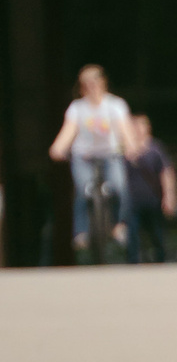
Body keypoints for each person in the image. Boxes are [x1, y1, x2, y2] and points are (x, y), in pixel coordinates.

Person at [48, 64, 131, 259]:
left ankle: (119, 225)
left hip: (110, 154)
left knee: (119, 186)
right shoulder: (77, 108)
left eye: (94, 82)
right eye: (86, 84)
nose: (91, 87)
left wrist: (131, 147)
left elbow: (124, 130)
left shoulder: (115, 105)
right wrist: (58, 148)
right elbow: (68, 131)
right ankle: (82, 232)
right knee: (83, 189)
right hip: (84, 156)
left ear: (103, 82)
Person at [121, 114, 177, 264]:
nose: (137, 129)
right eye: (134, 125)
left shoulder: (155, 149)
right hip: (131, 201)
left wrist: (169, 196)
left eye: (141, 125)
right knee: (132, 236)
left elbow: (166, 172)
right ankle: (132, 264)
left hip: (153, 200)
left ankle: (161, 262)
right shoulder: (123, 150)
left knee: (157, 235)